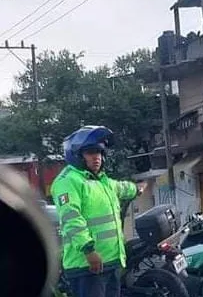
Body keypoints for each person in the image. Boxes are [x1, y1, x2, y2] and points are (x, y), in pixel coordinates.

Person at [51, 126, 147, 297]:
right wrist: (89, 251)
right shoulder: (68, 181)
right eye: (91, 152)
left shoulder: (102, 181)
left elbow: (121, 188)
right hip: (87, 265)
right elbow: (71, 218)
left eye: (100, 152)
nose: (97, 158)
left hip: (110, 262)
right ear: (77, 154)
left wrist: (137, 189)